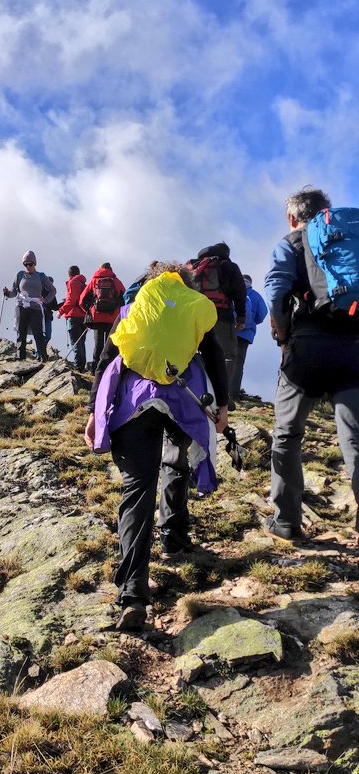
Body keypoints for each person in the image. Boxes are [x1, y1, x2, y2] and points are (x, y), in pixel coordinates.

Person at [84, 261, 228, 632]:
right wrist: (222, 405)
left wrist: (93, 413)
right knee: (176, 466)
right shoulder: (192, 306)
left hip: (134, 404)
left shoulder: (133, 309)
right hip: (182, 401)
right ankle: (175, 540)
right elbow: (213, 355)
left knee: (137, 492)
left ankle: (133, 595)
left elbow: (106, 359)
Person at [264, 186, 359, 540]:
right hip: (353, 346)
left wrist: (283, 334)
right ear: (326, 212)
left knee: (288, 433)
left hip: (306, 347)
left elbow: (276, 292)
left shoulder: (291, 243)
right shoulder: (347, 239)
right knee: (356, 438)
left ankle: (286, 521)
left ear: (293, 218)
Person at [187, 242, 246, 407]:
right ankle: (222, 396)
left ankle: (195, 390)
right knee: (227, 355)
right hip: (221, 315)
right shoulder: (228, 266)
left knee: (194, 352)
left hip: (196, 315)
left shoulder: (193, 265)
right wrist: (241, 316)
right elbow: (240, 292)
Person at [3, 251, 56, 362]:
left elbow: (53, 290)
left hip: (35, 307)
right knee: (20, 332)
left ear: (35, 263)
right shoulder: (19, 275)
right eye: (25, 264)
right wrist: (7, 293)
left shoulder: (41, 276)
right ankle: (20, 358)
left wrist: (45, 300)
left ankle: (42, 357)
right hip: (21, 306)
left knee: (38, 333)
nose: (28, 266)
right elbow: (14, 292)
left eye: (30, 264)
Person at [80, 263, 125, 371]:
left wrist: (89, 310)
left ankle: (96, 369)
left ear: (99, 269)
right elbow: (125, 297)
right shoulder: (116, 282)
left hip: (97, 317)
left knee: (98, 344)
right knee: (109, 344)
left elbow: (82, 299)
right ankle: (108, 369)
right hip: (112, 318)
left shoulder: (94, 281)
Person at [231, 275, 268, 402]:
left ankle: (221, 391)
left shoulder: (232, 290)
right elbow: (262, 314)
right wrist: (250, 324)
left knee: (226, 360)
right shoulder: (256, 296)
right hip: (246, 335)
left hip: (230, 331)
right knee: (238, 364)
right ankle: (233, 394)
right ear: (250, 283)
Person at [58, 266, 87, 371]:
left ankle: (78, 366)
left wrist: (61, 311)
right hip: (84, 317)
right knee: (81, 342)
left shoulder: (72, 282)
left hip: (73, 316)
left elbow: (71, 300)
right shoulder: (83, 284)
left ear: (69, 274)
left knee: (76, 343)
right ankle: (82, 366)